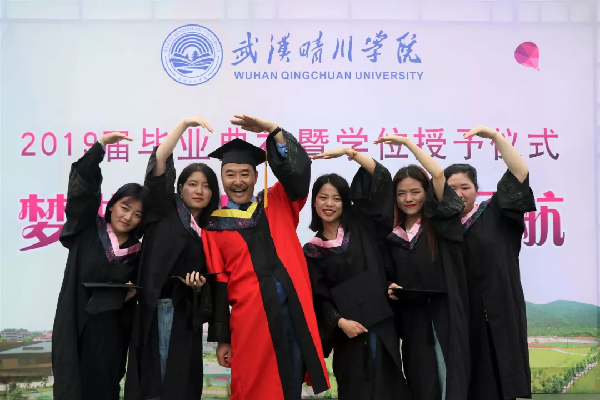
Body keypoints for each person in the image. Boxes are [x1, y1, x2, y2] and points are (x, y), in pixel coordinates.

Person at [202, 114, 330, 400]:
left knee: (291, 383)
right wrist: (222, 339)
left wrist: (274, 131)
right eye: (230, 174)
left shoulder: (277, 201)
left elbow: (298, 176)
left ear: (256, 176)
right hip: (252, 321)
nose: (238, 181)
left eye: (245, 174)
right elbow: (218, 285)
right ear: (221, 178)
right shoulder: (213, 226)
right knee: (253, 387)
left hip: (294, 313)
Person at [303, 147, 412, 400]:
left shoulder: (362, 226)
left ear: (345, 202)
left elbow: (381, 178)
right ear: (314, 202)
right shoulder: (312, 250)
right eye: (323, 197)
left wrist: (348, 152)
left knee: (388, 387)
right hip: (348, 335)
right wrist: (340, 322)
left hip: (381, 324)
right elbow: (319, 296)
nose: (329, 204)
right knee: (354, 387)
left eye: (337, 198)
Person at [124, 117, 221, 400]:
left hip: (185, 316)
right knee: (153, 384)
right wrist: (184, 125)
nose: (199, 191)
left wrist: (198, 286)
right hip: (154, 309)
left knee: (181, 385)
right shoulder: (162, 210)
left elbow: (211, 282)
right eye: (192, 184)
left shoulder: (212, 230)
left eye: (206, 185)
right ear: (179, 187)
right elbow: (160, 159)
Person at [373, 135, 470, 400]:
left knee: (448, 377)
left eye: (415, 192)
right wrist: (390, 287)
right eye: (401, 193)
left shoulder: (440, 225)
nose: (408, 199)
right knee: (420, 379)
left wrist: (407, 144)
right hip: (413, 319)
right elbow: (388, 276)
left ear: (427, 193)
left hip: (444, 314)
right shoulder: (392, 236)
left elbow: (438, 174)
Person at [444, 125, 536, 400]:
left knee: (501, 381)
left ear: (476, 190)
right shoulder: (440, 229)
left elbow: (520, 173)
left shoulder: (494, 213)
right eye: (451, 188)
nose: (459, 193)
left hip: (500, 312)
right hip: (462, 319)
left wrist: (495, 137)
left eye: (465, 187)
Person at [52, 132, 143, 400]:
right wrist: (100, 146)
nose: (128, 217)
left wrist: (130, 296)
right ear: (112, 205)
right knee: (72, 387)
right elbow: (82, 192)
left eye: (138, 214)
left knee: (105, 389)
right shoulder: (88, 230)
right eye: (125, 207)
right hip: (76, 326)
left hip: (110, 338)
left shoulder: (139, 253)